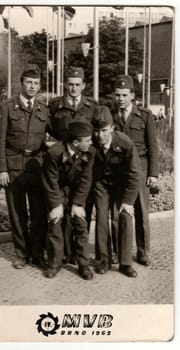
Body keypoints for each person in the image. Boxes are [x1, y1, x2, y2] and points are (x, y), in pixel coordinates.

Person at [0, 64, 51, 269]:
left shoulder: (43, 109)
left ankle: (37, 253)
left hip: (36, 167)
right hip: (14, 167)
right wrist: (2, 169)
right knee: (17, 213)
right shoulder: (7, 107)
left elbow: (54, 135)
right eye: (29, 82)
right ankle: (21, 254)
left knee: (38, 212)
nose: (32, 86)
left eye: (36, 83)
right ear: (21, 83)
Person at [49, 66, 97, 260]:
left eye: (77, 84)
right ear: (65, 85)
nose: (73, 88)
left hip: (84, 164)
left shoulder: (92, 106)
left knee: (81, 210)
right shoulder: (55, 106)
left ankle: (80, 254)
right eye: (70, 84)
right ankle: (65, 254)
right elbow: (50, 129)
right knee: (63, 212)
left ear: (83, 85)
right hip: (63, 164)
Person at [111, 75, 159, 266]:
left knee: (140, 212)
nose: (120, 99)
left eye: (124, 95)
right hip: (117, 171)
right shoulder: (111, 116)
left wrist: (153, 174)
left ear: (132, 95)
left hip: (140, 170)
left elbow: (153, 146)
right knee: (116, 214)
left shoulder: (144, 116)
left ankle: (142, 251)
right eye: (117, 95)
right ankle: (117, 251)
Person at [42, 121, 95, 280]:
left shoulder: (89, 152)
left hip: (75, 191)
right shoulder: (54, 152)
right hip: (56, 189)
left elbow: (86, 180)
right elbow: (50, 181)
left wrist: (77, 204)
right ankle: (54, 264)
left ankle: (83, 264)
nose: (91, 142)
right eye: (88, 140)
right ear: (76, 142)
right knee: (55, 222)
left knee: (80, 223)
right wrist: (56, 205)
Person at [92, 106, 140, 277]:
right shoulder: (90, 142)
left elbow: (135, 174)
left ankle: (125, 262)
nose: (100, 136)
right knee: (102, 219)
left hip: (121, 185)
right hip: (101, 184)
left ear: (112, 128)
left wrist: (127, 202)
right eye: (97, 131)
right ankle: (104, 260)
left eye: (104, 130)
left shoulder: (125, 143)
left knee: (123, 217)